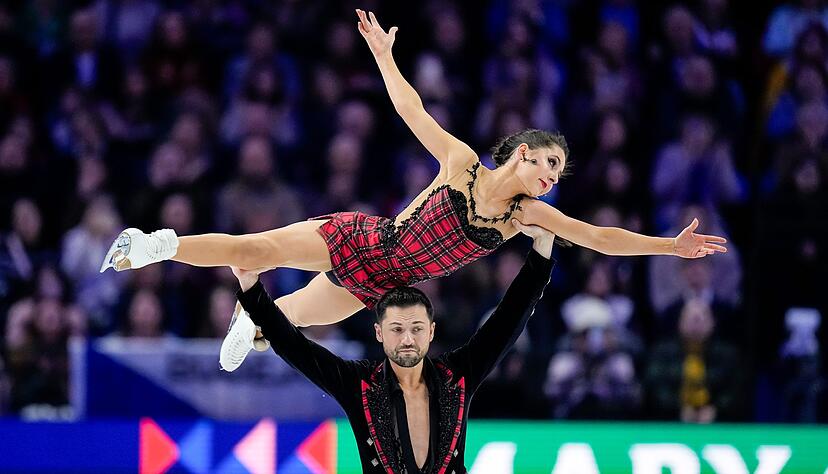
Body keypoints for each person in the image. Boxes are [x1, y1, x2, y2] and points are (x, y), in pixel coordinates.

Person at [100, 10, 727, 371]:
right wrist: (384, 56)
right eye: (549, 164)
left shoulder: (524, 216)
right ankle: (156, 244)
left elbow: (597, 237)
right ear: (524, 153)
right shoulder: (461, 163)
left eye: (558, 172)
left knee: (284, 321)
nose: (552, 177)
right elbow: (411, 109)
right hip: (362, 239)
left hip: (379, 286)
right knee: (254, 251)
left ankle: (250, 319)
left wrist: (668, 247)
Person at [232, 220, 556, 473]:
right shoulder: (360, 385)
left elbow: (507, 322)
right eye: (397, 329)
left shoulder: (457, 375)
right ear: (379, 333)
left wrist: (541, 251)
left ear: (431, 331)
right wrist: (251, 289)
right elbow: (297, 349)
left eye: (416, 329)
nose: (407, 339)